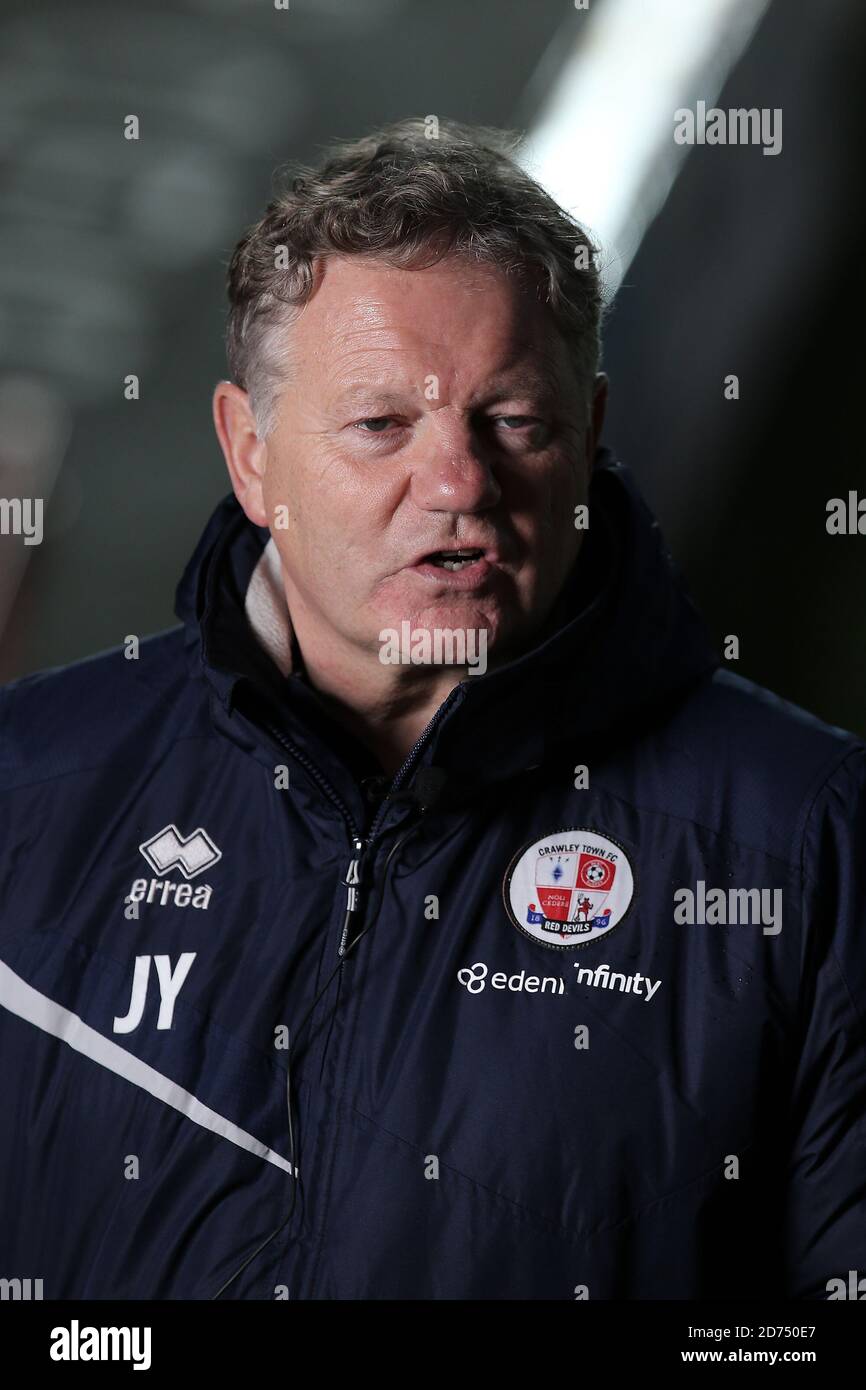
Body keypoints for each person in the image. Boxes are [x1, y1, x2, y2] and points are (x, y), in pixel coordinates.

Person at [1, 118, 864, 1301]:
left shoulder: (807, 837)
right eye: (379, 427)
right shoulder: (28, 792)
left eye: (512, 423)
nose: (458, 485)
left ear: (590, 436)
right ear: (250, 455)